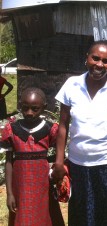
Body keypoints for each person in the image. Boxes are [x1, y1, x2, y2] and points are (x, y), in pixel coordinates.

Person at [52, 40, 107, 226]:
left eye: (106, 61)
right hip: (77, 164)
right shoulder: (72, 85)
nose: (99, 64)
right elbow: (63, 125)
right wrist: (58, 161)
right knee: (79, 214)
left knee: (106, 215)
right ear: (86, 58)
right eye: (95, 58)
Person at [1, 87, 64, 226]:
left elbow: (60, 155)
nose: (29, 113)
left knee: (45, 216)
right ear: (20, 106)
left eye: (35, 109)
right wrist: (10, 193)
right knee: (22, 215)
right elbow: (9, 162)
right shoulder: (11, 129)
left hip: (43, 184)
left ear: (44, 107)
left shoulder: (51, 129)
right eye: (25, 108)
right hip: (20, 185)